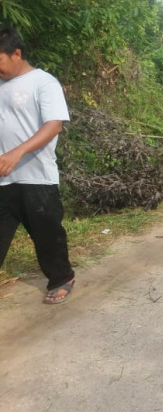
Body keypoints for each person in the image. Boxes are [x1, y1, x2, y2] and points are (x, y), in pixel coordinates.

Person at [0, 26, 75, 304]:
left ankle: (62, 277)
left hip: (36, 178)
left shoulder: (43, 83)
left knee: (47, 234)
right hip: (3, 179)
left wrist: (17, 153)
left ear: (16, 53)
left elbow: (54, 124)